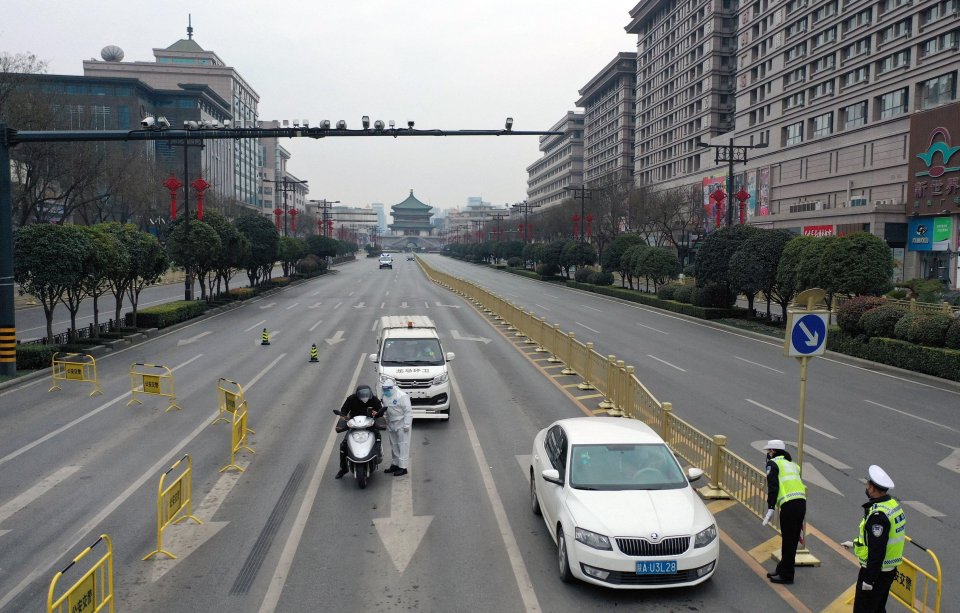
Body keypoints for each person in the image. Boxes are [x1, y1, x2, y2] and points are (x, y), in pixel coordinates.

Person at [841, 465, 906, 613]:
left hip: (876, 572)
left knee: (863, 609)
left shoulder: (878, 516)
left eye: (867, 484)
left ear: (873, 489)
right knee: (877, 608)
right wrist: (854, 544)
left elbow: (877, 551)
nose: (866, 487)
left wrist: (869, 580)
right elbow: (878, 541)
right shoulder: (892, 505)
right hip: (888, 571)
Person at [762, 439, 806, 585]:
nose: (767, 454)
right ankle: (782, 569)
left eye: (769, 451)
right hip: (800, 503)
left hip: (789, 505)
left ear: (773, 451)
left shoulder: (773, 464)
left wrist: (770, 508)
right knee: (791, 540)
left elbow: (773, 487)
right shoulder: (793, 465)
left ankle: (787, 575)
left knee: (788, 541)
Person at [335, 384, 383, 479]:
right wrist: (343, 417)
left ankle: (378, 456)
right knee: (343, 445)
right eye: (362, 395)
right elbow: (344, 410)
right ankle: (343, 468)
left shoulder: (374, 399)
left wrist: (377, 414)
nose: (364, 398)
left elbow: (380, 411)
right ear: (357, 395)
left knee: (378, 437)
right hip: (355, 426)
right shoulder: (351, 399)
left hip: (369, 425)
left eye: (366, 395)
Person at [381, 378, 413, 476]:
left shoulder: (402, 396)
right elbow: (385, 410)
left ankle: (403, 467)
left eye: (387, 389)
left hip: (401, 423)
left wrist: (407, 424)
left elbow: (408, 411)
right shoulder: (385, 396)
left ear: (393, 388)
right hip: (391, 423)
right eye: (384, 389)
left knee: (402, 445)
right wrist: (385, 422)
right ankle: (395, 464)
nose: (386, 391)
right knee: (394, 445)